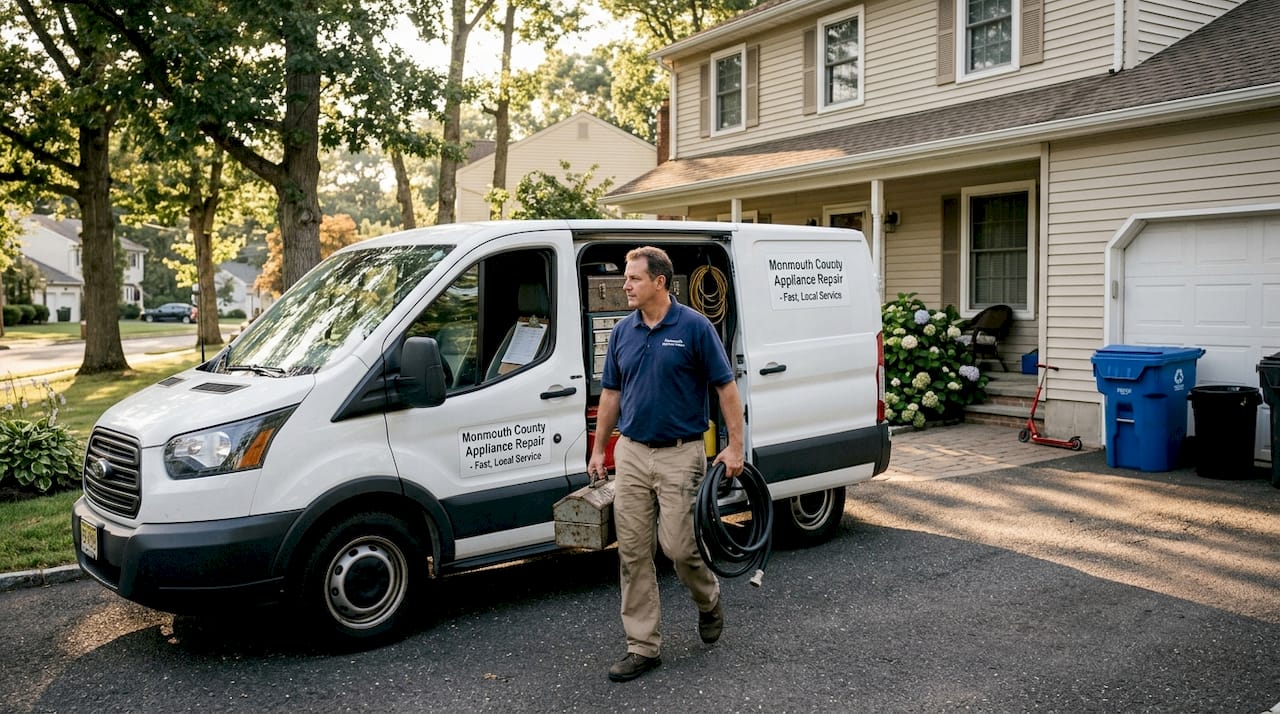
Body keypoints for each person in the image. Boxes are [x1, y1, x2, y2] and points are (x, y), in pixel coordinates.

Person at [587, 246, 745, 683]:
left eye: (633, 278)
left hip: (681, 452)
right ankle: (642, 647)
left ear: (660, 282)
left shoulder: (694, 327)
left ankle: (708, 599)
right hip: (633, 452)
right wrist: (600, 449)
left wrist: (734, 446)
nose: (625, 285)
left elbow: (725, 387)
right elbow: (612, 395)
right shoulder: (623, 332)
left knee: (679, 548)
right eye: (625, 277)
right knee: (634, 552)